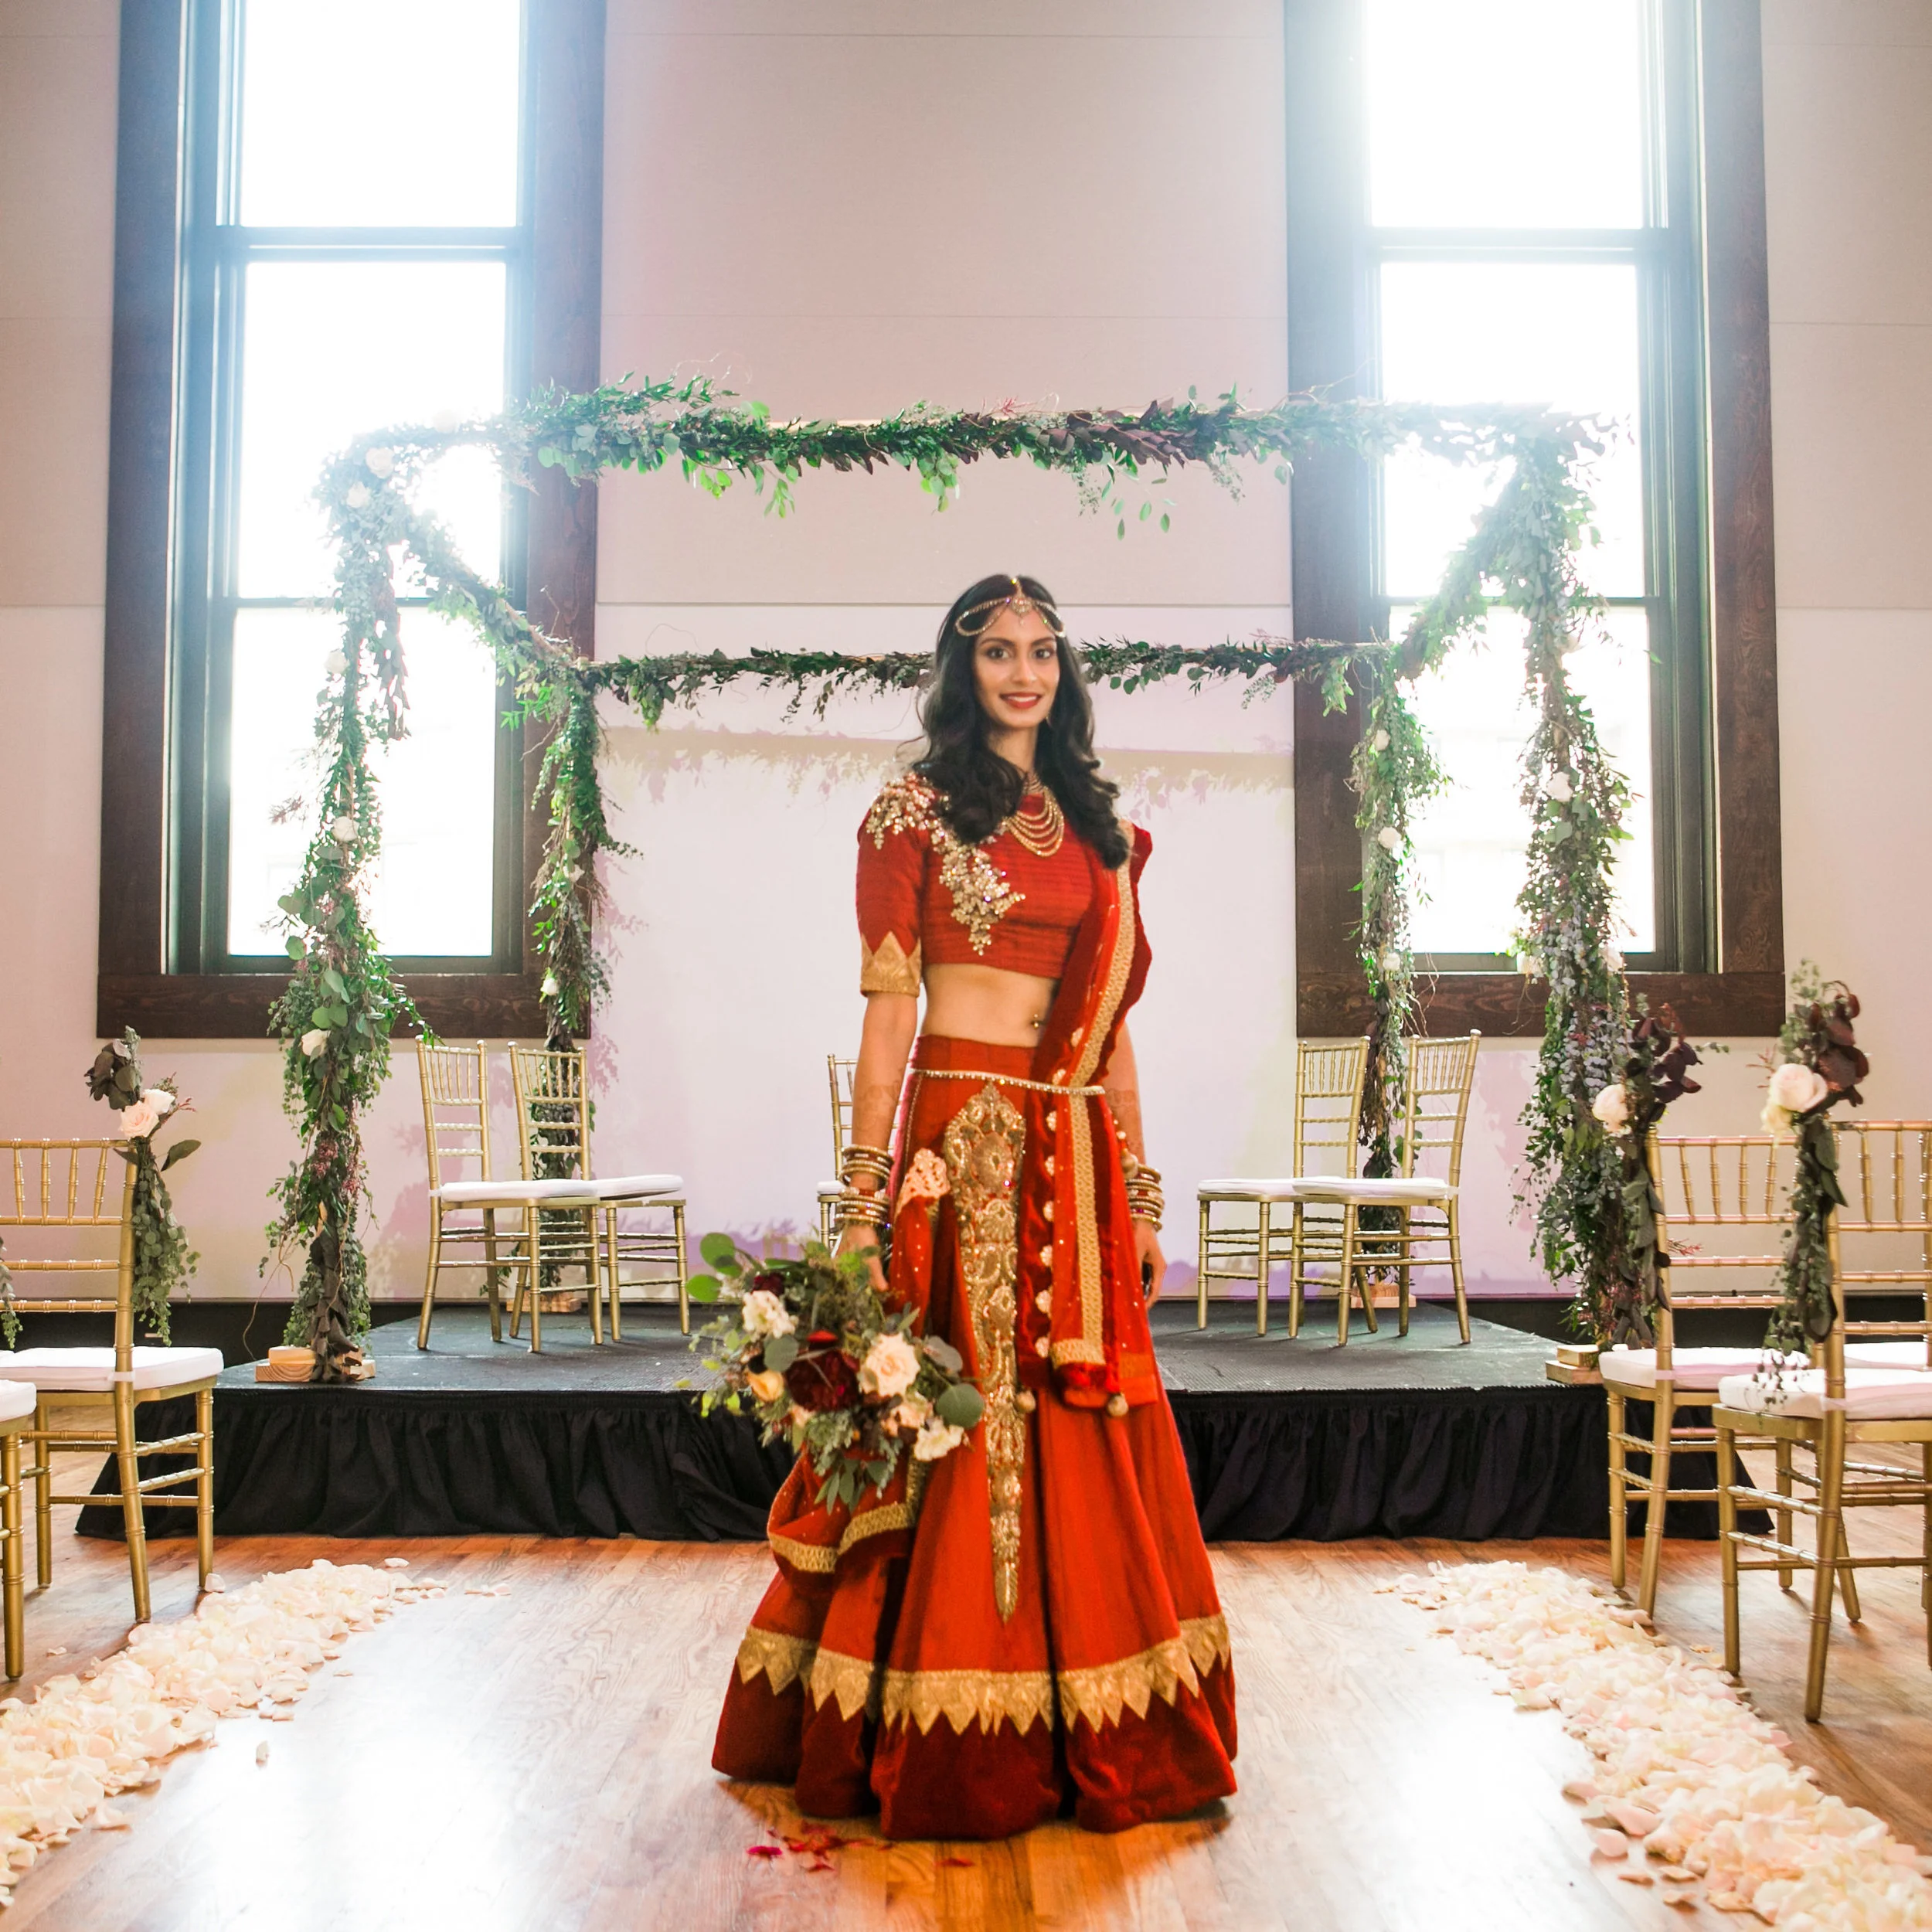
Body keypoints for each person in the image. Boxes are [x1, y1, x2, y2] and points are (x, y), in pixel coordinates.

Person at [711, 573, 1236, 1838]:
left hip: (1073, 1155)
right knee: (954, 1419)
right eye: (1000, 652)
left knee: (1073, 1424)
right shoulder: (912, 814)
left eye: (1043, 652)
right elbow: (891, 1015)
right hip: (959, 1154)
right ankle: (945, 1726)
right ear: (963, 669)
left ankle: (1087, 1730)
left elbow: (1109, 1035)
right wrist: (861, 1195)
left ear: (1065, 669)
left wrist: (1145, 1191)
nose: (1023, 673)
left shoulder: (1102, 833)